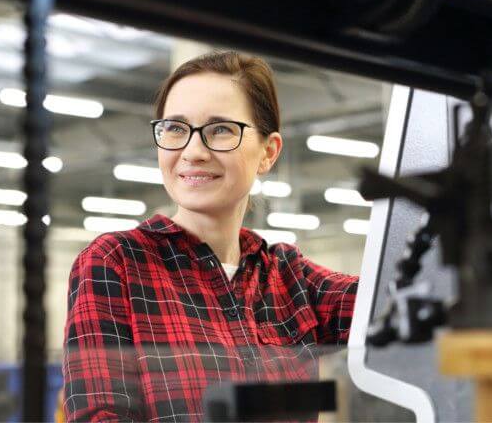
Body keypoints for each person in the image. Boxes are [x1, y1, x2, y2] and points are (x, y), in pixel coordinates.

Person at [62, 51, 359, 422]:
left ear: (268, 152)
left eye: (220, 129)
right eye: (175, 128)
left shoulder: (289, 277)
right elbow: (99, 416)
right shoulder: (116, 261)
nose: (193, 151)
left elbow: (399, 302)